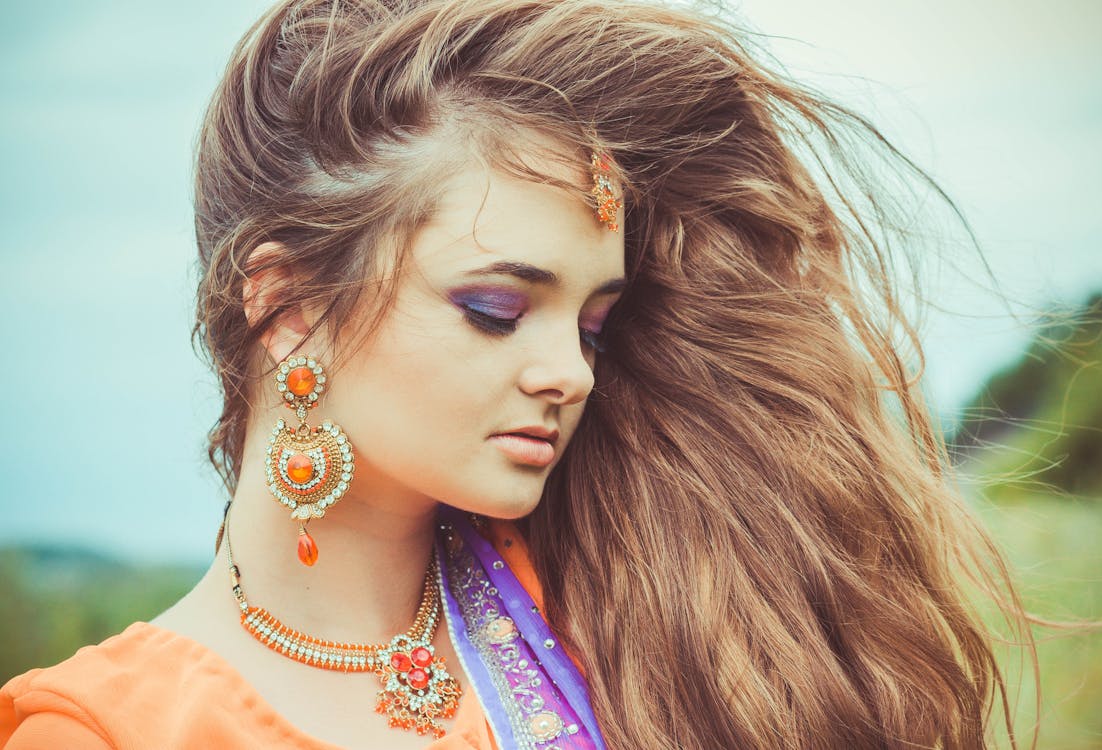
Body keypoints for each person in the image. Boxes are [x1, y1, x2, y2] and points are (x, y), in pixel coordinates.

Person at [0, 0, 1035, 748]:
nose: (570, 374)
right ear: (286, 307)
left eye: (593, 325)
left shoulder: (643, 608)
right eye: (495, 309)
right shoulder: (103, 728)